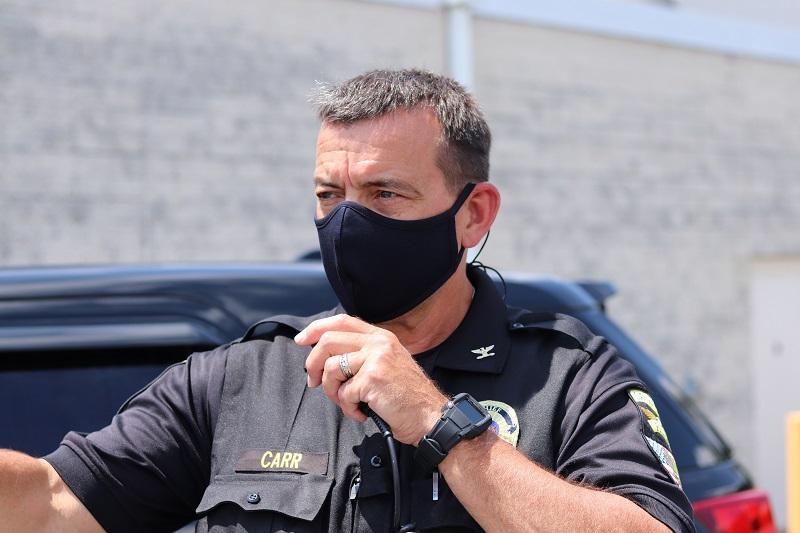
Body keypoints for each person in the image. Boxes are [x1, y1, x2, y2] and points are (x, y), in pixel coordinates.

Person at [0, 69, 695, 532]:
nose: (347, 223)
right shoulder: (242, 379)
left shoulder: (569, 377)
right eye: (329, 195)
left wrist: (440, 424)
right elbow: (51, 501)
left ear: (473, 214)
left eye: (384, 193)